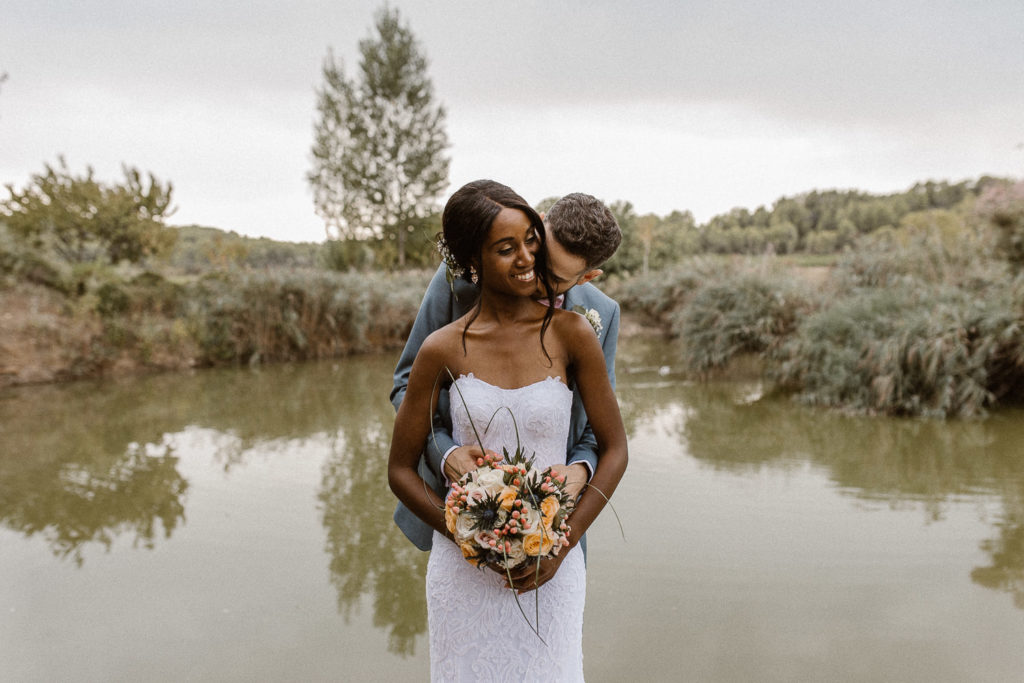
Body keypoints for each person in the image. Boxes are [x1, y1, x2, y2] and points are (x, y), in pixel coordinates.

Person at [387, 180, 628, 681]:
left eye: (553, 278)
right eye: (526, 251)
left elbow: (597, 434)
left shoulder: (591, 321)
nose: (533, 276)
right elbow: (408, 388)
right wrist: (449, 458)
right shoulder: (458, 291)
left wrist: (579, 477)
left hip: (551, 543)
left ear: (589, 275)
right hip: (461, 540)